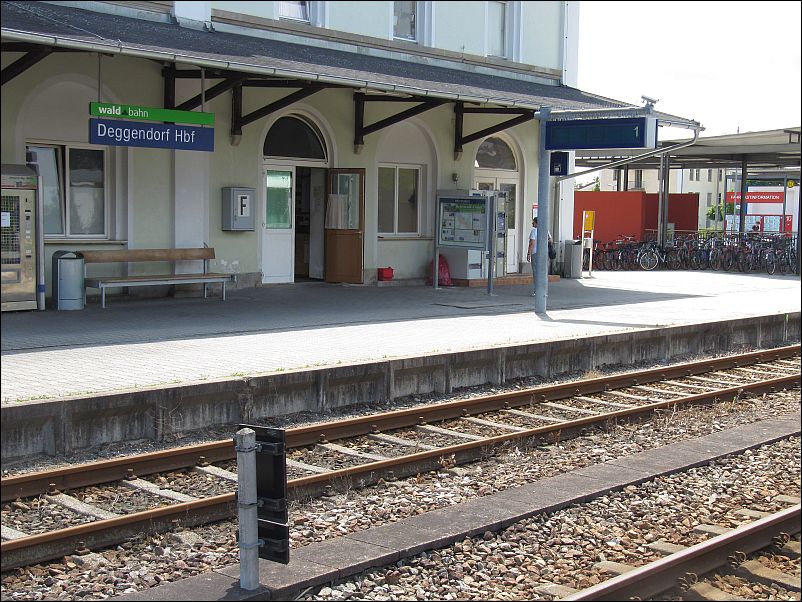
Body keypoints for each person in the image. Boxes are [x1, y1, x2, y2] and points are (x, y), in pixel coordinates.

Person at [527, 217, 552, 296]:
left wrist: (529, 254)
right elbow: (550, 240)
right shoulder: (545, 231)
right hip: (544, 254)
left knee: (536, 272)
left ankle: (536, 291)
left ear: (537, 223)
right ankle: (544, 291)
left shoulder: (534, 231)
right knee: (544, 272)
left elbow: (532, 243)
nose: (532, 224)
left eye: (533, 222)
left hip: (536, 253)